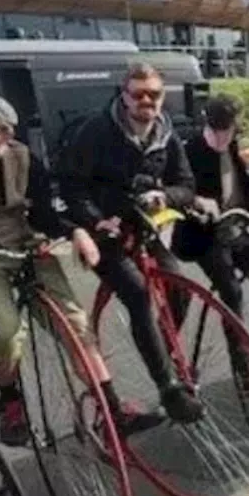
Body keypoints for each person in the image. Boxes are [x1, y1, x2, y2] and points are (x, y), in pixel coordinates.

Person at [0, 95, 146, 445]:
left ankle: (112, 407)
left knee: (76, 324)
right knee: (4, 331)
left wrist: (74, 231)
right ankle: (10, 399)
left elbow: (42, 215)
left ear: (7, 134)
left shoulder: (25, 159)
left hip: (23, 246)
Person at [56, 62, 205, 422]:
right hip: (106, 231)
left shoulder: (166, 133)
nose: (146, 101)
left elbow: (187, 185)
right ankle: (168, 387)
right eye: (137, 94)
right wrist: (95, 220)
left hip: (146, 227)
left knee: (179, 287)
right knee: (138, 294)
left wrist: (164, 196)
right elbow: (71, 185)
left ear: (162, 96)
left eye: (153, 94)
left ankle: (166, 354)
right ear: (123, 97)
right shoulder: (97, 131)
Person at [172, 94, 249, 387]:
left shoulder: (232, 145)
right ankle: (243, 368)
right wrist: (197, 203)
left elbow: (243, 186)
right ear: (210, 124)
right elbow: (178, 189)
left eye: (229, 130)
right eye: (220, 130)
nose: (225, 136)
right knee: (232, 292)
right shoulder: (190, 149)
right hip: (203, 235)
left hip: (237, 228)